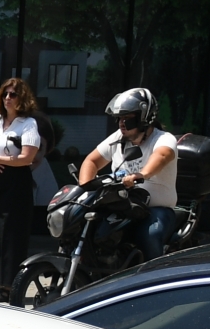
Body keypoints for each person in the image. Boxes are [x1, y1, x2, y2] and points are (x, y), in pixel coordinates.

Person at [76, 88, 180, 263]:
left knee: (149, 234)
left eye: (127, 118)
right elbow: (91, 161)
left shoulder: (164, 139)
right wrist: (84, 186)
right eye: (119, 118)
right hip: (123, 206)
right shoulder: (118, 139)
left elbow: (161, 156)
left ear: (144, 117)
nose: (121, 123)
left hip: (156, 209)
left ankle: (155, 278)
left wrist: (141, 175)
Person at [0, 77, 44, 296]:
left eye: (13, 94)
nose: (7, 98)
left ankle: (8, 287)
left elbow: (27, 158)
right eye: (5, 94)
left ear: (21, 98)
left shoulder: (29, 124)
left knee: (11, 235)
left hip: (16, 183)